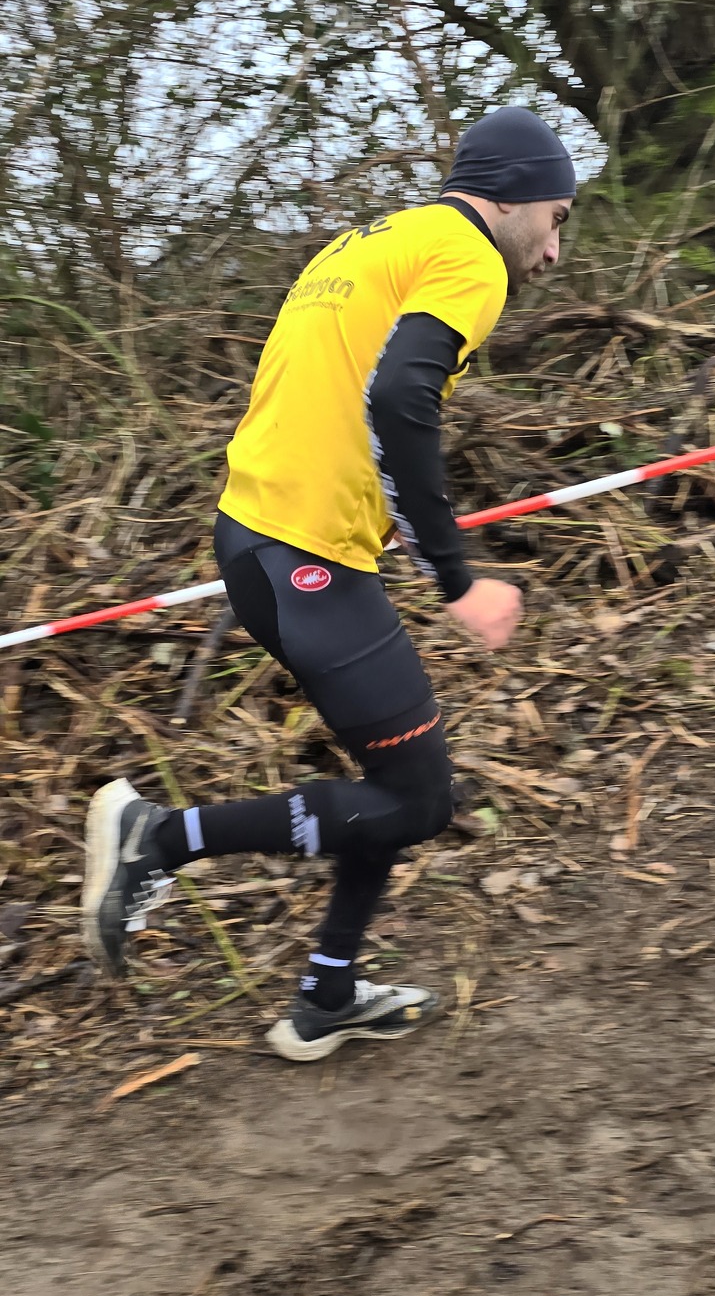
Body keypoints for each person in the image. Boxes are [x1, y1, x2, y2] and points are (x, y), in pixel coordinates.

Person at [81, 107, 576, 1060]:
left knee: (397, 781)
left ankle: (329, 995)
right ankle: (160, 838)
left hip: (256, 536)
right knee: (420, 799)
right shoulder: (469, 257)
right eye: (555, 220)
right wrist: (455, 578)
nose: (553, 250)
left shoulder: (371, 241)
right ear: (513, 195)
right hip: (306, 557)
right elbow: (399, 397)